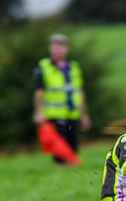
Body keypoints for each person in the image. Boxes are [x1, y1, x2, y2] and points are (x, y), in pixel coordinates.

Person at [33, 34, 90, 165]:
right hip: (54, 115)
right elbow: (39, 92)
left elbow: (80, 92)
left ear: (67, 49)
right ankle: (61, 174)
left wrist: (84, 114)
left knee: (73, 146)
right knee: (59, 149)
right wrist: (38, 112)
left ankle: (71, 174)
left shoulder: (74, 67)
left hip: (73, 114)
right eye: (54, 46)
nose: (57, 49)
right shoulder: (43, 67)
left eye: (60, 46)